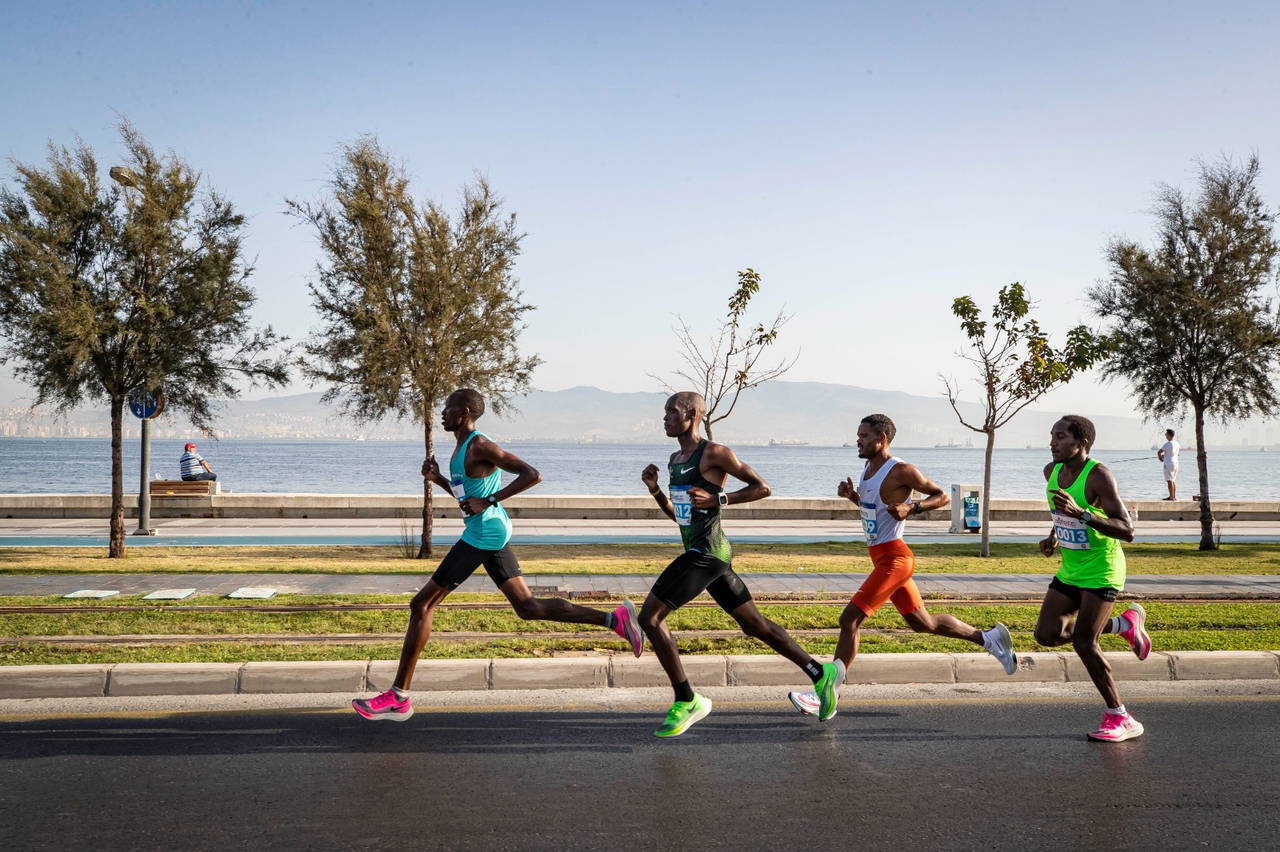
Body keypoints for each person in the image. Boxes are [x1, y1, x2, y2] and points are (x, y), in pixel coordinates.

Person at [352, 388, 644, 722]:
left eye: (447, 409)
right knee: (528, 607)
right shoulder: (462, 449)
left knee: (422, 604)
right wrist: (439, 479)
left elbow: (532, 474)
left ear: (463, 412)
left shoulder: (480, 445)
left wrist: (491, 502)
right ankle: (615, 620)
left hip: (484, 533)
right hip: (488, 531)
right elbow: (468, 497)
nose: (442, 414)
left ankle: (399, 698)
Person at [638, 391, 842, 737]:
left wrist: (719, 497)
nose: (665, 418)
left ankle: (687, 699)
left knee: (650, 618)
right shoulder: (675, 459)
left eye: (672, 412)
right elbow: (681, 518)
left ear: (693, 414)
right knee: (755, 625)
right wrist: (656, 490)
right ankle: (820, 673)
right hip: (704, 553)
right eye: (665, 412)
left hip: (707, 554)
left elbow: (762, 488)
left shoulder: (714, 453)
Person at [787, 414, 1017, 720]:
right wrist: (853, 497)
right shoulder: (869, 468)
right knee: (923, 623)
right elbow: (875, 511)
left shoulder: (902, 470)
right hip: (882, 558)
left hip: (895, 559)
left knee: (850, 619)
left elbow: (942, 495)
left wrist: (913, 507)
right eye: (858, 435)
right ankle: (989, 638)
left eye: (864, 436)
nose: (858, 440)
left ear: (881, 438)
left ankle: (827, 693)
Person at [1035, 415, 1152, 742]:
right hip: (1071, 568)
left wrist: (1083, 514)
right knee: (1046, 634)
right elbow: (1062, 512)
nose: (1052, 442)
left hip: (1102, 568)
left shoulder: (1098, 475)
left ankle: (1121, 716)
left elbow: (1126, 529)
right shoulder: (1052, 472)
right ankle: (1124, 625)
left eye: (1060, 436)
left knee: (1086, 642)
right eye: (1052, 435)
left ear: (1080, 442)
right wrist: (1054, 536)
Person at [1157, 428, 1180, 500]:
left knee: (1169, 480)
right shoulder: (1177, 443)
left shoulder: (1168, 443)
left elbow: (1159, 452)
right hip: (1176, 463)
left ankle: (1171, 496)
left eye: (1166, 434)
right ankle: (1174, 496)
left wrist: (1160, 458)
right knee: (1173, 480)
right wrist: (1165, 455)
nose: (1165, 436)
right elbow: (1173, 453)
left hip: (1168, 464)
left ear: (1169, 435)